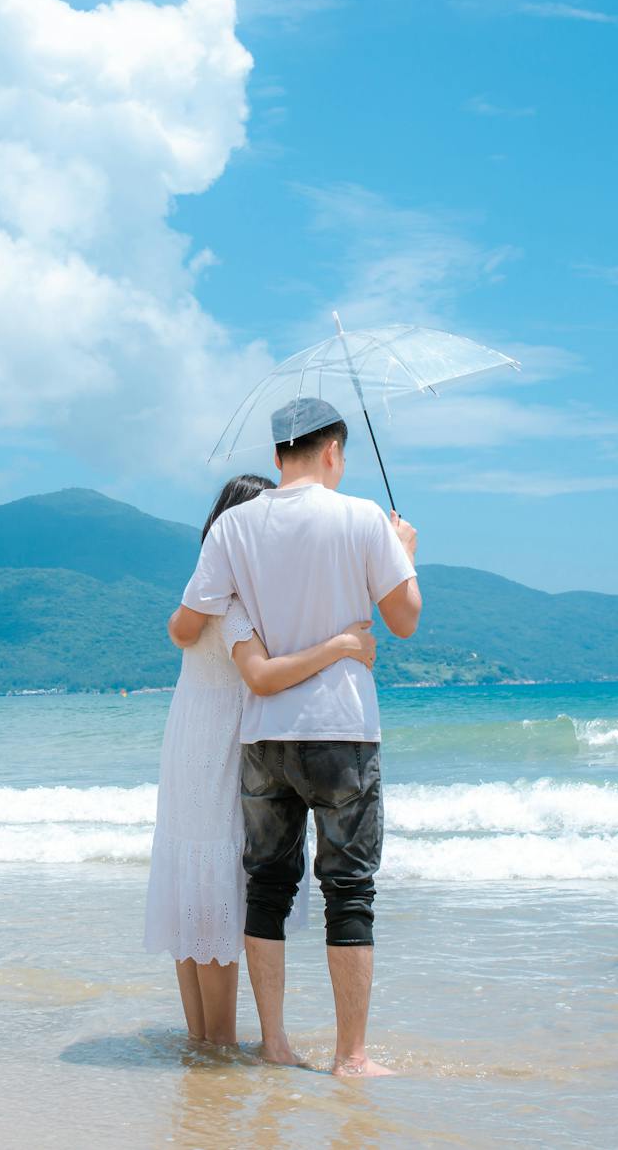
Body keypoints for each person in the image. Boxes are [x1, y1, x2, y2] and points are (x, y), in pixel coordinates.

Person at [172, 397, 422, 1077]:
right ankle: (351, 1055)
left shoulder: (233, 528)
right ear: (333, 451)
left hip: (264, 735)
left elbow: (192, 617)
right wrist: (404, 555)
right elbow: (403, 620)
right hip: (342, 728)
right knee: (351, 891)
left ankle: (274, 1043)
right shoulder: (364, 517)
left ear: (279, 454)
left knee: (266, 890)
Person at [145, 473, 380, 1046]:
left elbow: (179, 631)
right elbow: (261, 676)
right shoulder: (231, 602)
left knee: (195, 896)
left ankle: (203, 1043)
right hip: (221, 748)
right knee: (219, 893)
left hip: (190, 745)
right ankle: (219, 1048)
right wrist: (342, 647)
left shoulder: (201, 594)